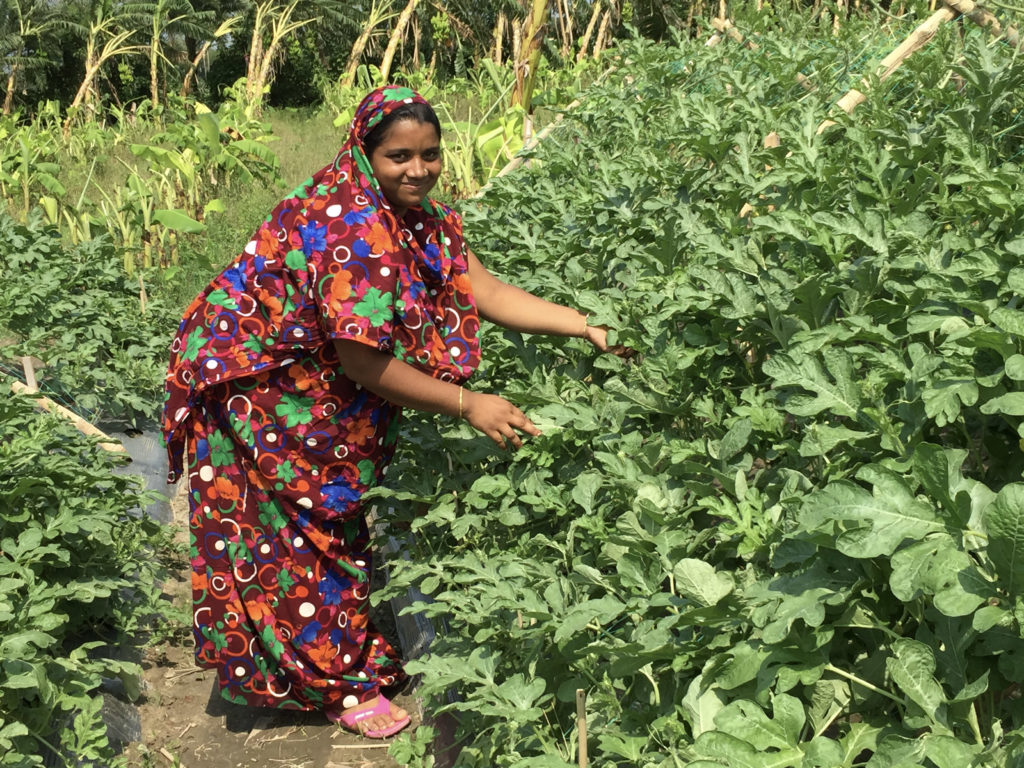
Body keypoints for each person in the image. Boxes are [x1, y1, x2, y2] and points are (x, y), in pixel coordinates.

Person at [161, 85, 620, 739]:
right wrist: (469, 403)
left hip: (310, 387)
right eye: (400, 156)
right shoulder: (357, 233)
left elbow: (482, 288)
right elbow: (364, 364)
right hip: (262, 394)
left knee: (334, 530)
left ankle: (339, 656)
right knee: (296, 544)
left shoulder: (413, 216)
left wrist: (587, 326)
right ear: (364, 154)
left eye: (430, 154)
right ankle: (339, 690)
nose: (419, 169)